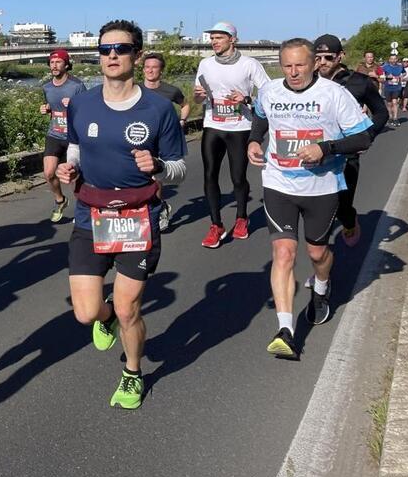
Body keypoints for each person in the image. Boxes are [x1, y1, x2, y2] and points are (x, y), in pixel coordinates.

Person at [56, 20, 186, 409]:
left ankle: (132, 371)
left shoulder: (159, 108)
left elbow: (180, 166)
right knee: (85, 313)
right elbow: (74, 146)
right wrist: (70, 168)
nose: (112, 55)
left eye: (121, 48)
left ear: (137, 54)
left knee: (130, 307)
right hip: (90, 216)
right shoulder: (82, 102)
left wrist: (158, 166)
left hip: (138, 217)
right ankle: (106, 317)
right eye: (105, 49)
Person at [248, 38, 374, 360]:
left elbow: (363, 137)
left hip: (322, 185)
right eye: (287, 66)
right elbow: (261, 116)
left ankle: (321, 287)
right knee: (284, 252)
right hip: (278, 182)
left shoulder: (334, 95)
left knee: (317, 252)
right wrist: (254, 141)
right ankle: (285, 330)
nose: (293, 72)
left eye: (300, 65)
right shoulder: (271, 91)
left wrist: (326, 148)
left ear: (315, 63)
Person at [193, 21, 270, 248]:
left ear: (232, 39)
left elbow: (268, 94)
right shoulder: (205, 64)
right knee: (209, 175)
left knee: (237, 177)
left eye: (218, 37)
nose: (213, 41)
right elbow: (199, 97)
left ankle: (241, 218)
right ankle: (216, 225)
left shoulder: (249, 64)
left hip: (240, 127)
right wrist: (198, 96)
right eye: (212, 38)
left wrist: (246, 99)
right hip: (213, 124)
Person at [313, 34, 387, 246]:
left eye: (328, 57)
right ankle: (321, 265)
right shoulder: (309, 82)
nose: (322, 63)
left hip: (347, 155)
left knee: (343, 208)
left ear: (340, 56)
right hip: (316, 154)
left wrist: (368, 136)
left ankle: (349, 219)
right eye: (317, 58)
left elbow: (381, 113)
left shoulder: (359, 82)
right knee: (320, 212)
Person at [142, 52, 190, 231]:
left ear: (161, 70)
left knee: (156, 176)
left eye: (154, 67)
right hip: (141, 136)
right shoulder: (135, 89)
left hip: (163, 139)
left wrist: (182, 121)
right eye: (147, 67)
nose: (150, 70)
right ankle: (152, 207)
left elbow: (185, 105)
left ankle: (158, 208)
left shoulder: (170, 91)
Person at [39, 48, 86, 222]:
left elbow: (88, 110)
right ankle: (60, 200)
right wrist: (46, 109)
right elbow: (50, 106)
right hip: (54, 134)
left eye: (58, 62)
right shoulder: (47, 87)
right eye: (52, 62)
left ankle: (82, 209)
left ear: (66, 65)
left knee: (75, 176)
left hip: (74, 136)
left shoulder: (77, 86)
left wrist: (74, 105)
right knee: (49, 173)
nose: (54, 65)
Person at [381, 52, 405, 128]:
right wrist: (387, 76)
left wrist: (401, 76)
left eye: (395, 59)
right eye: (392, 59)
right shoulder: (385, 67)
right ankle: (390, 117)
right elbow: (381, 75)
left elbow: (404, 73)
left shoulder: (400, 67)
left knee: (395, 102)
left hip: (397, 87)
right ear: (389, 59)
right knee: (389, 104)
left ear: (397, 59)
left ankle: (395, 118)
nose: (393, 60)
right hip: (388, 87)